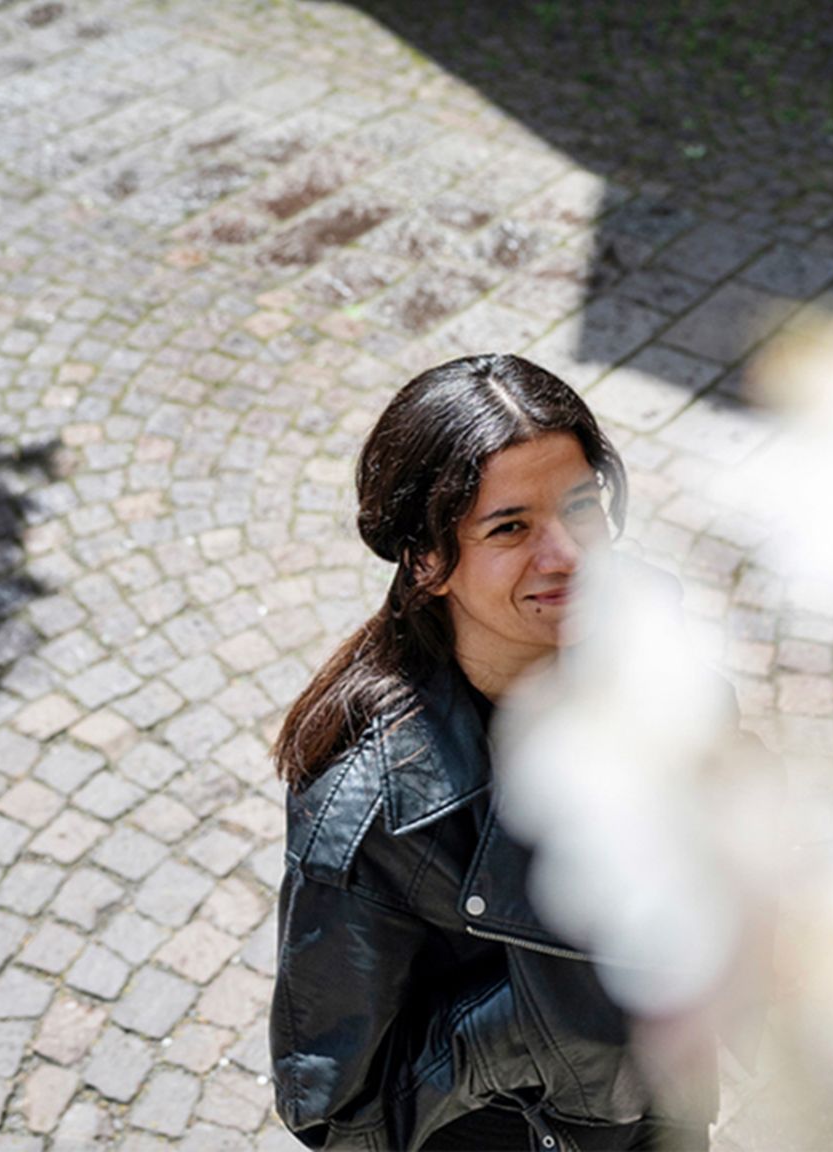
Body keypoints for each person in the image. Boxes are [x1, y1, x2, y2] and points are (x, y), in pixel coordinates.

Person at [268, 354, 717, 1151]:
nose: (568, 556)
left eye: (581, 509)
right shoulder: (368, 813)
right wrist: (516, 1032)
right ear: (428, 560)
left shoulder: (644, 627)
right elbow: (336, 1116)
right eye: (511, 527)